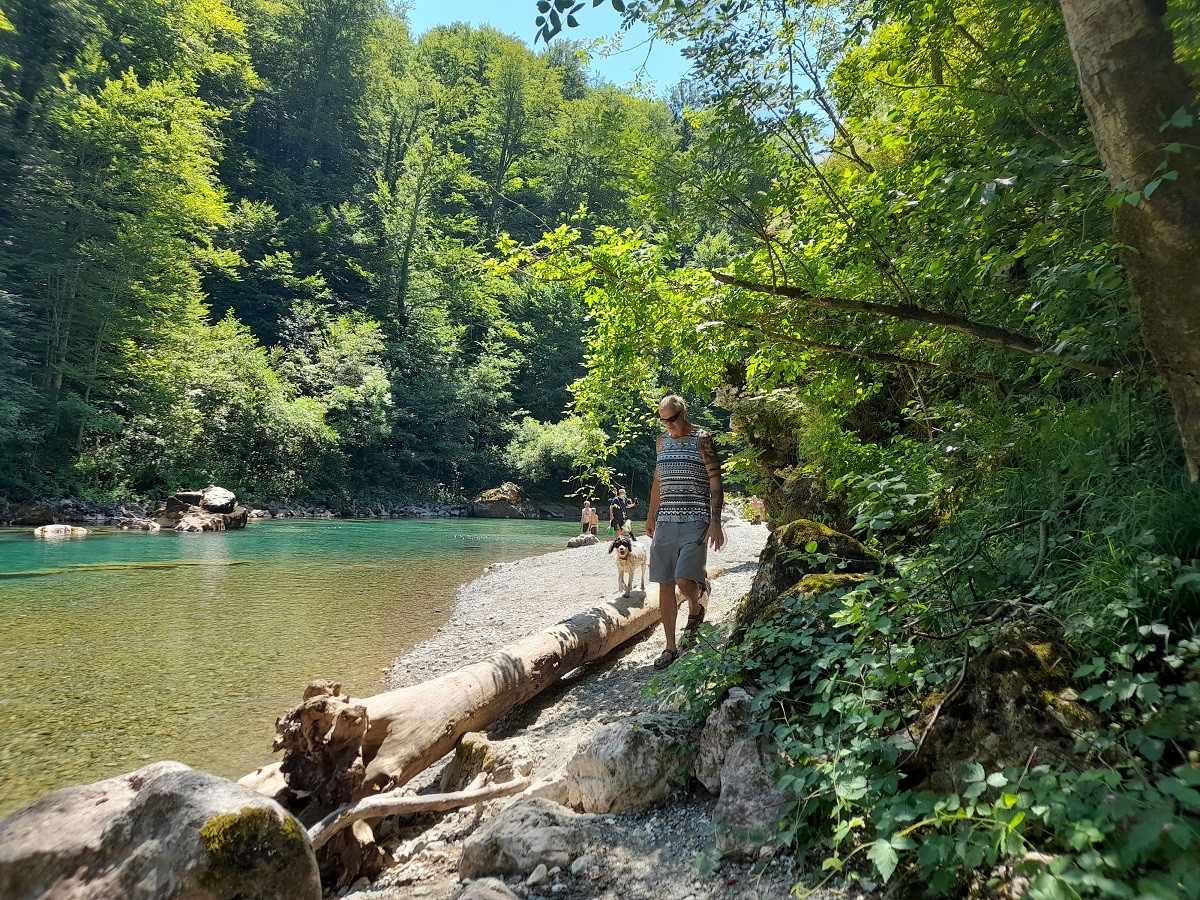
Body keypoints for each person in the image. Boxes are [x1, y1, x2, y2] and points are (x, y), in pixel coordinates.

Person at [645, 394, 724, 669]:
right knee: (665, 583)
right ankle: (670, 647)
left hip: (697, 519)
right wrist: (651, 515)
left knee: (682, 579)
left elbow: (715, 479)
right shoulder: (661, 441)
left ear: (683, 413)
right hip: (665, 521)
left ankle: (697, 599)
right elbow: (658, 480)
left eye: (672, 419)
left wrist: (717, 521)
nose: (668, 425)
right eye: (663, 420)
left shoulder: (702, 438)